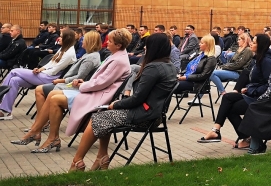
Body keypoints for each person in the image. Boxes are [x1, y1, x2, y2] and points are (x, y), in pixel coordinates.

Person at [68, 33, 177, 171]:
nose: (144, 48)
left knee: (97, 117)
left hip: (145, 117)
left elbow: (137, 99)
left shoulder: (153, 68)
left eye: (147, 46)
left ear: (154, 48)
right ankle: (101, 158)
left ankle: (77, 161)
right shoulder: (169, 66)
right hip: (156, 115)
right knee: (104, 115)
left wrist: (116, 104)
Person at [11, 29, 131, 153]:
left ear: (118, 45)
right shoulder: (116, 56)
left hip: (98, 97)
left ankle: (47, 136)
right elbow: (101, 81)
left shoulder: (117, 60)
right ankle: (39, 133)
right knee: (52, 94)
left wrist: (82, 85)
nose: (106, 43)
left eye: (110, 41)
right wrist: (84, 83)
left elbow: (100, 83)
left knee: (55, 99)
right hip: (95, 91)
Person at [198, 33, 271, 147]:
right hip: (252, 93)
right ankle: (216, 130)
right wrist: (247, 88)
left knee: (229, 108)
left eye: (254, 42)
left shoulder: (266, 61)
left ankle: (243, 137)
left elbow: (268, 85)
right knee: (227, 98)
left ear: (261, 45)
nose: (251, 44)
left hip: (259, 98)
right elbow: (251, 76)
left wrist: (250, 90)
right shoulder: (257, 58)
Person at [0, 28, 78, 120]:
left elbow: (54, 70)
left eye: (61, 37)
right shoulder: (63, 48)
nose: (58, 39)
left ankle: (1, 97)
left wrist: (40, 72)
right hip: (45, 74)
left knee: (14, 71)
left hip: (50, 78)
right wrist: (40, 69)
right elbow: (51, 63)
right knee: (14, 80)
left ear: (66, 38)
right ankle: (6, 111)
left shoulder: (69, 53)